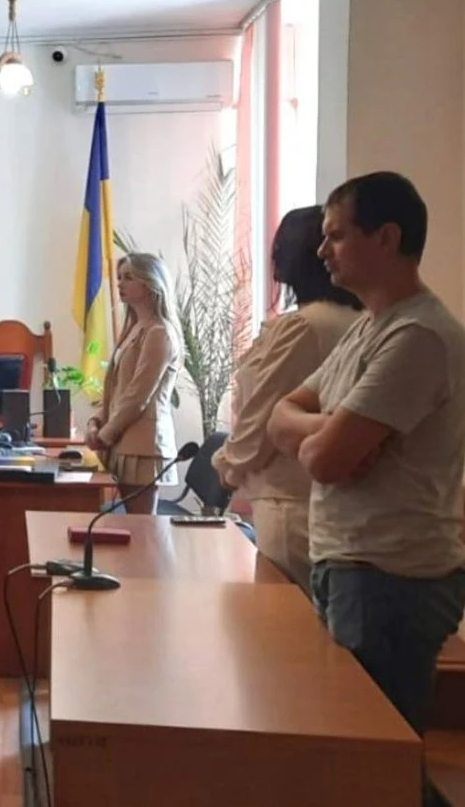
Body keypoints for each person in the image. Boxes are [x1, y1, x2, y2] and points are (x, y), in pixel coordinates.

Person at [268, 172, 465, 804]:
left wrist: (325, 437)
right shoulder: (368, 326)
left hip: (390, 579)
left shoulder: (418, 336)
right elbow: (279, 418)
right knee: (361, 759)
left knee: (373, 765)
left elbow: (325, 461)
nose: (321, 250)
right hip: (350, 565)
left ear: (386, 237)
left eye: (337, 235)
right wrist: (335, 427)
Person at [214, 207, 361, 591]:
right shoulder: (356, 319)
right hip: (321, 503)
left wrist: (228, 468)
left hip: (288, 503)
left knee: (286, 622)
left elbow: (263, 415)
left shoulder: (305, 327)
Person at [86, 252, 182, 514]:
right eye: (119, 277)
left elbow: (138, 396)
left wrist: (105, 435)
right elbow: (116, 390)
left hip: (143, 446)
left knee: (142, 528)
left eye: (128, 277)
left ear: (150, 283)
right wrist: (95, 421)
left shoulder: (159, 332)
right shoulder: (134, 328)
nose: (120, 284)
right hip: (123, 440)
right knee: (129, 526)